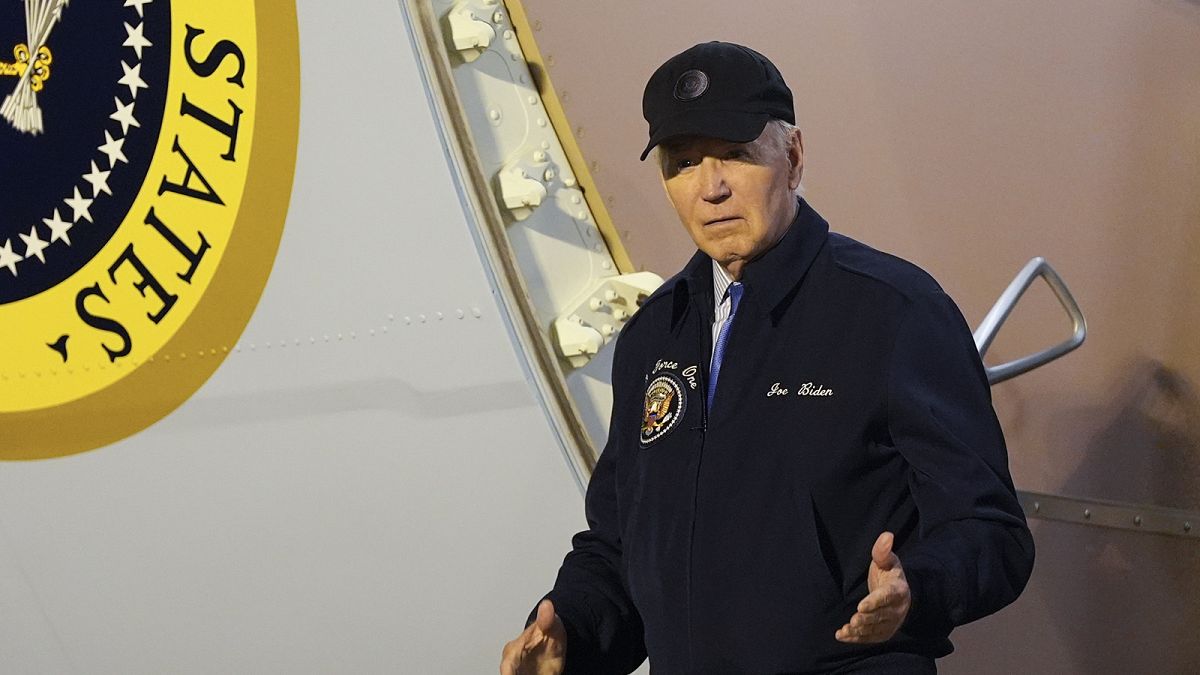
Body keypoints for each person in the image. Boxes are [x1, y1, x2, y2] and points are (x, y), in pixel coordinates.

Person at [500, 41, 1034, 674]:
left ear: (794, 156)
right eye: (683, 162)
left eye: (735, 154)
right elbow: (621, 549)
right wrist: (570, 630)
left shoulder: (892, 311)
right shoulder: (654, 335)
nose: (711, 188)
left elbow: (990, 532)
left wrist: (915, 589)